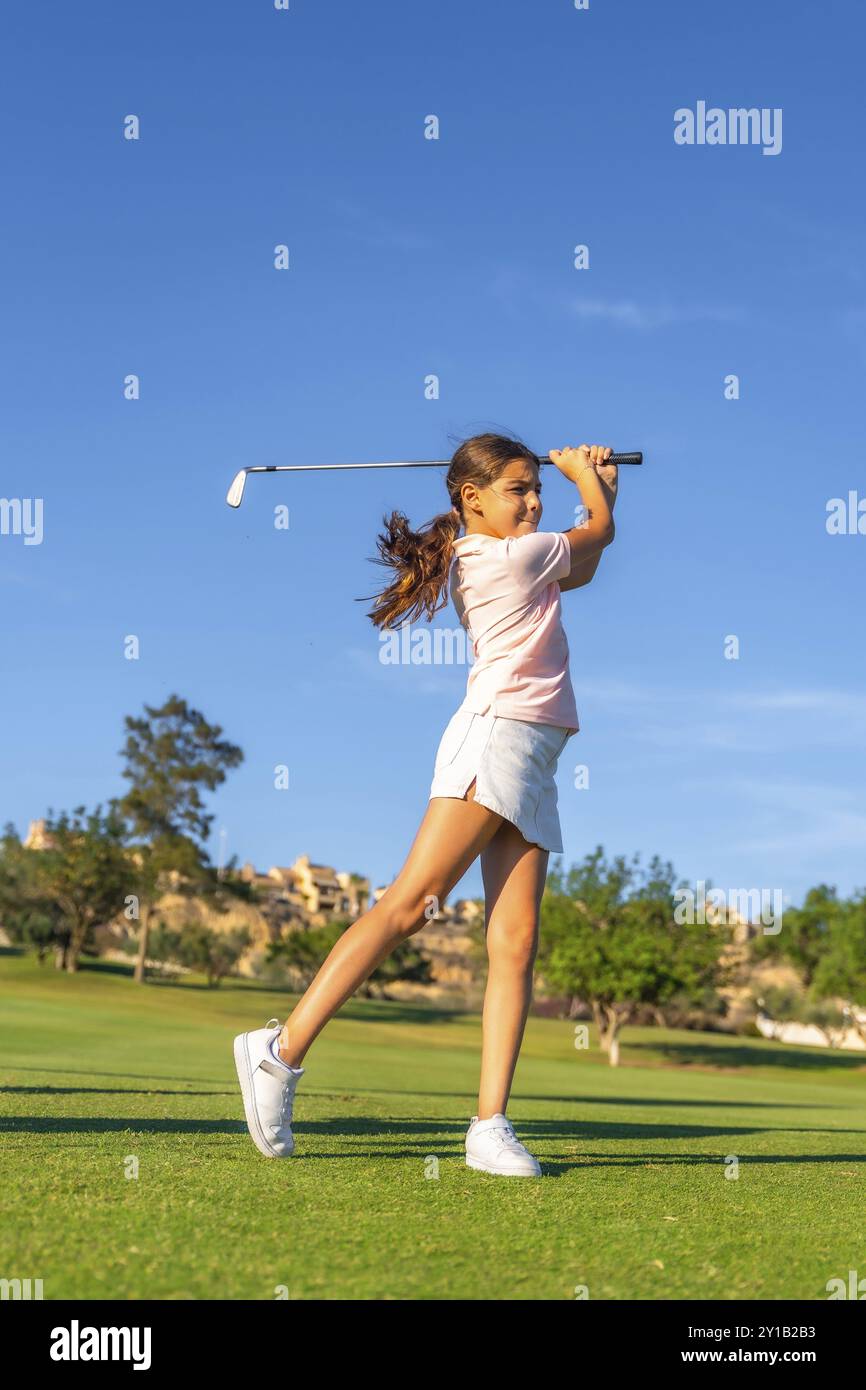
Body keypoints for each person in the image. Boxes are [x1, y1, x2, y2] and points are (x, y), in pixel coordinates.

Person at [234, 433, 617, 1176]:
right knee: (412, 905)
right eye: (520, 489)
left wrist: (599, 490)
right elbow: (596, 534)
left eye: (538, 489)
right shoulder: (504, 556)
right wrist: (585, 481)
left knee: (516, 941)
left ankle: (488, 1125)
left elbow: (589, 562)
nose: (535, 501)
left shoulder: (523, 556)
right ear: (471, 498)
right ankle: (278, 1052)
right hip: (496, 741)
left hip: (533, 755)